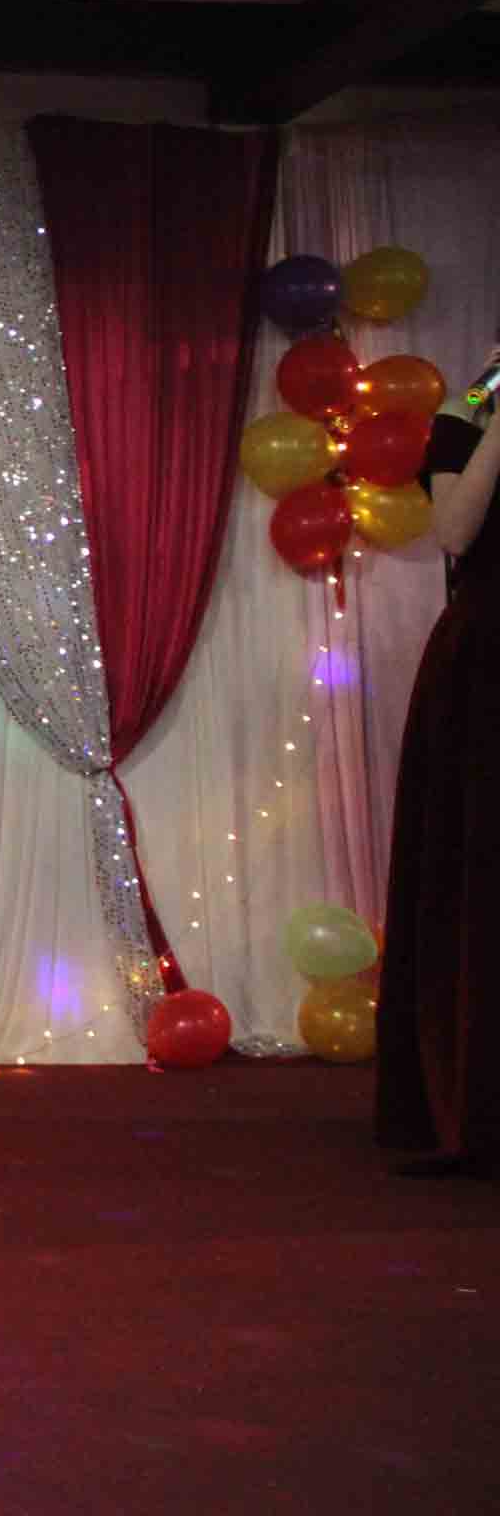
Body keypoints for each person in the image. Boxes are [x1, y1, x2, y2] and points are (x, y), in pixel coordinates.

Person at [377, 351, 500, 1177]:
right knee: (476, 873)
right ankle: (472, 1101)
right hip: (486, 666)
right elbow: (455, 532)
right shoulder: (464, 418)